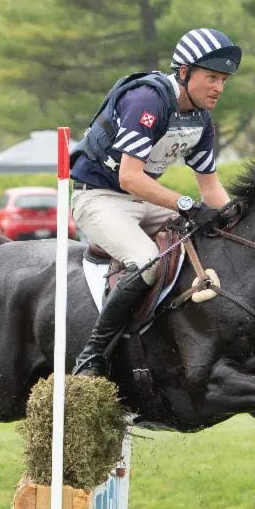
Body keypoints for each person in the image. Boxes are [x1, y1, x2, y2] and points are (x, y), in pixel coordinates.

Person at [67, 27, 240, 376]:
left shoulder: (201, 120)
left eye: (223, 79)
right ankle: (93, 355)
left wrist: (239, 221)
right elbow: (128, 177)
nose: (219, 88)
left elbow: (211, 189)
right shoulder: (148, 100)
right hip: (99, 197)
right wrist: (185, 204)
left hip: (143, 201)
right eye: (211, 77)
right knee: (147, 262)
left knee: (208, 240)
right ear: (184, 72)